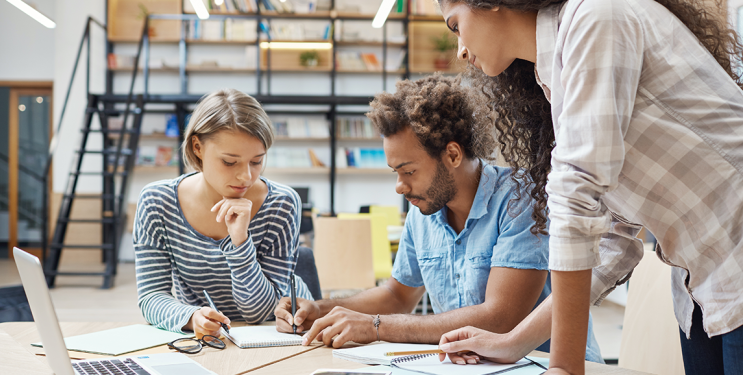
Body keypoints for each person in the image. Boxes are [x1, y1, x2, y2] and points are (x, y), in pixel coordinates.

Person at [434, 0, 743, 373]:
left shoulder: (597, 16)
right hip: (704, 289)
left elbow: (574, 195)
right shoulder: (558, 74)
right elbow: (611, 240)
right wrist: (513, 342)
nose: (461, 49)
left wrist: (564, 366)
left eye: (455, 26)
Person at [273, 74, 603, 363]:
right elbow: (398, 296)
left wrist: (375, 326)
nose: (400, 187)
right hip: (469, 365)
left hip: (544, 365)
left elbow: (500, 318)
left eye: (409, 171)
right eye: (395, 173)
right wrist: (322, 309)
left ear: (453, 155)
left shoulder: (519, 197)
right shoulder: (425, 208)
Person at [133, 89, 313, 339]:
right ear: (197, 147)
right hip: (207, 337)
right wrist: (190, 317)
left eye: (256, 161)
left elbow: (258, 312)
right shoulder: (158, 201)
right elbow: (152, 296)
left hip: (274, 335)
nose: (246, 177)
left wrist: (240, 241)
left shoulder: (282, 204)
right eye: (230, 162)